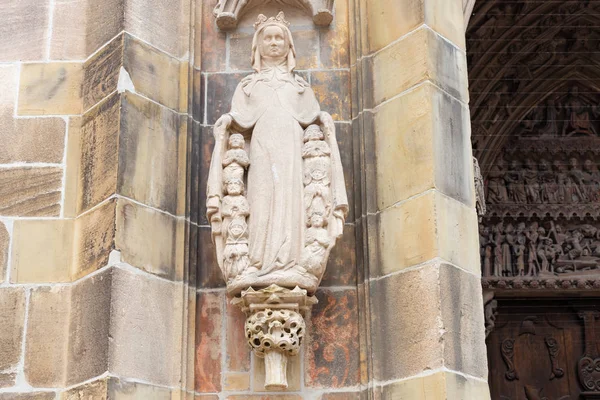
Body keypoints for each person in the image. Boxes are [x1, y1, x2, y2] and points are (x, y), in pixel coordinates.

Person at [206, 12, 348, 291]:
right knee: (261, 196)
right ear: (258, 45)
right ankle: (258, 261)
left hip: (292, 150)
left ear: (288, 44)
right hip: (260, 149)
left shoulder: (299, 87)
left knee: (290, 199)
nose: (273, 43)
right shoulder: (249, 87)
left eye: (279, 37)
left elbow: (311, 116)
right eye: (268, 38)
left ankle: (290, 259)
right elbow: (240, 119)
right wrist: (226, 125)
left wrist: (324, 123)